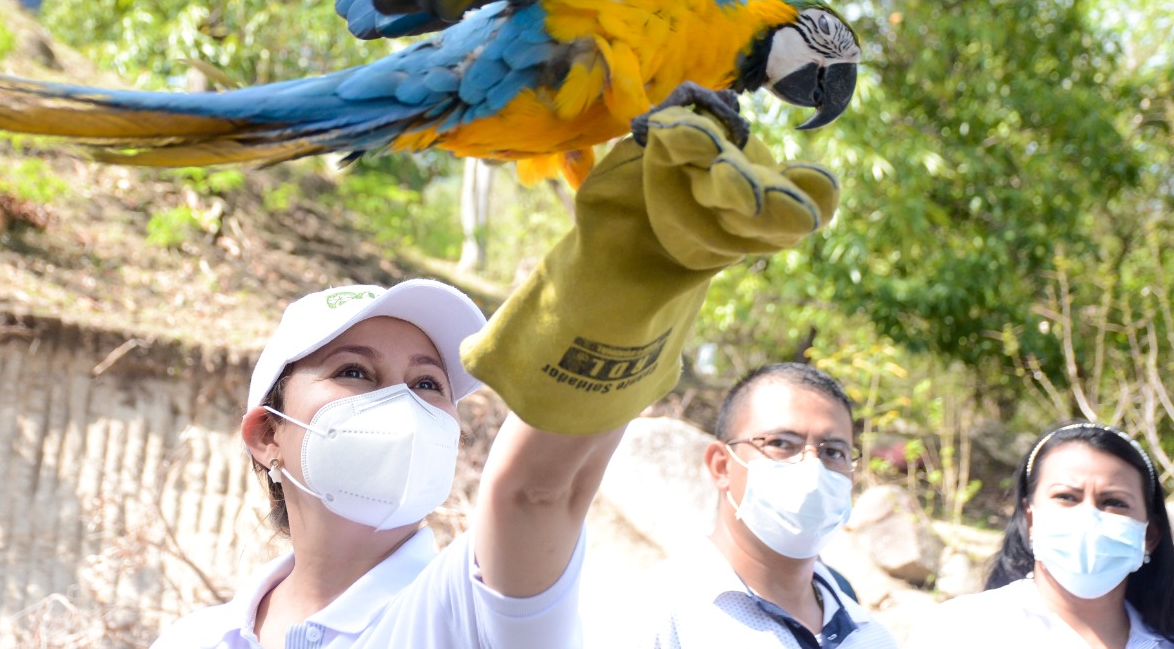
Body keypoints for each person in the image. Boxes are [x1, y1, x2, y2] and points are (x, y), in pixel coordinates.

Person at [148, 105, 842, 649]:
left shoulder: (477, 609)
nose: (400, 403)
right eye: (354, 371)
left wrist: (649, 264)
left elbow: (537, 490)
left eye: (427, 383)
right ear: (266, 434)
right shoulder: (194, 638)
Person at [611, 362, 897, 649]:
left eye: (833, 452)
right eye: (781, 443)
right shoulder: (656, 615)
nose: (812, 470)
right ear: (722, 465)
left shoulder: (872, 637)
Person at [904, 421, 1174, 649]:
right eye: (1067, 497)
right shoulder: (960, 631)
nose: (1088, 517)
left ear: (1150, 536)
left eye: (1114, 502)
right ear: (1030, 520)